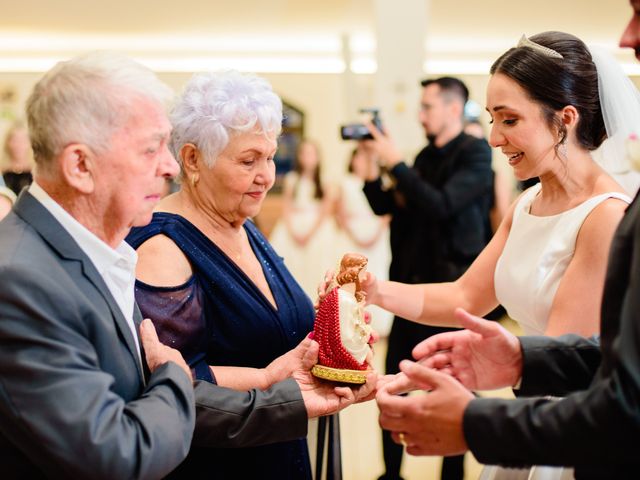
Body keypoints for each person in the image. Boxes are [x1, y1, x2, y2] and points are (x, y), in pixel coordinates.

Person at [375, 3, 640, 478]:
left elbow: (562, 354)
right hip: (526, 408)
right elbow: (465, 295)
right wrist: (372, 292)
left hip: (560, 427)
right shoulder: (528, 202)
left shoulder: (604, 216)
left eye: (510, 120)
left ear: (566, 119)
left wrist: (474, 415)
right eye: (493, 120)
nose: (494, 138)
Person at [126, 71, 374, 480]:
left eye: (270, 157)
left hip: (276, 445)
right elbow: (170, 383)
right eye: (248, 161)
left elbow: (271, 332)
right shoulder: (161, 249)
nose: (267, 176)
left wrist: (336, 334)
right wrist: (266, 377)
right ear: (192, 160)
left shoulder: (241, 221)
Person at [0, 52, 197, 479]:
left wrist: (278, 389)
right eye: (151, 149)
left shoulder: (99, 250)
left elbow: (132, 392)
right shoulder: (18, 281)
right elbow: (117, 456)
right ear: (80, 166)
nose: (170, 167)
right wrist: (174, 377)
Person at [361, 76, 494, 480]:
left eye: (427, 107)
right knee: (393, 385)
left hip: (451, 295)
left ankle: (451, 475)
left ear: (453, 109)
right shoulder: (422, 158)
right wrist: (373, 165)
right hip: (410, 292)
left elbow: (441, 205)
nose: (420, 115)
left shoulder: (476, 155)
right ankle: (391, 473)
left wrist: (398, 164)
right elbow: (388, 205)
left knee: (454, 390)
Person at [269, 139, 338, 299]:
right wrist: (292, 231)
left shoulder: (325, 180)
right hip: (294, 224)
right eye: (305, 153)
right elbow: (286, 206)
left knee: (315, 265)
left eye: (312, 154)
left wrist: (310, 233)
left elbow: (325, 210)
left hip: (317, 227)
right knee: (292, 265)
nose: (308, 157)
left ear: (318, 157)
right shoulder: (292, 178)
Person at [335, 148, 393, 335]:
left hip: (376, 233)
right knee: (351, 279)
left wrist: (374, 235)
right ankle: (349, 321)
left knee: (376, 274)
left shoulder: (380, 182)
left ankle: (377, 322)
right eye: (358, 157)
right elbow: (340, 213)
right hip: (353, 234)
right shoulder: (346, 182)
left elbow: (386, 213)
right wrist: (354, 235)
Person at [1, 120, 33, 195]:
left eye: (23, 140)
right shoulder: (2, 171)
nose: (18, 145)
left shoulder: (36, 173)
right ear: (8, 142)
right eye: (14, 140)